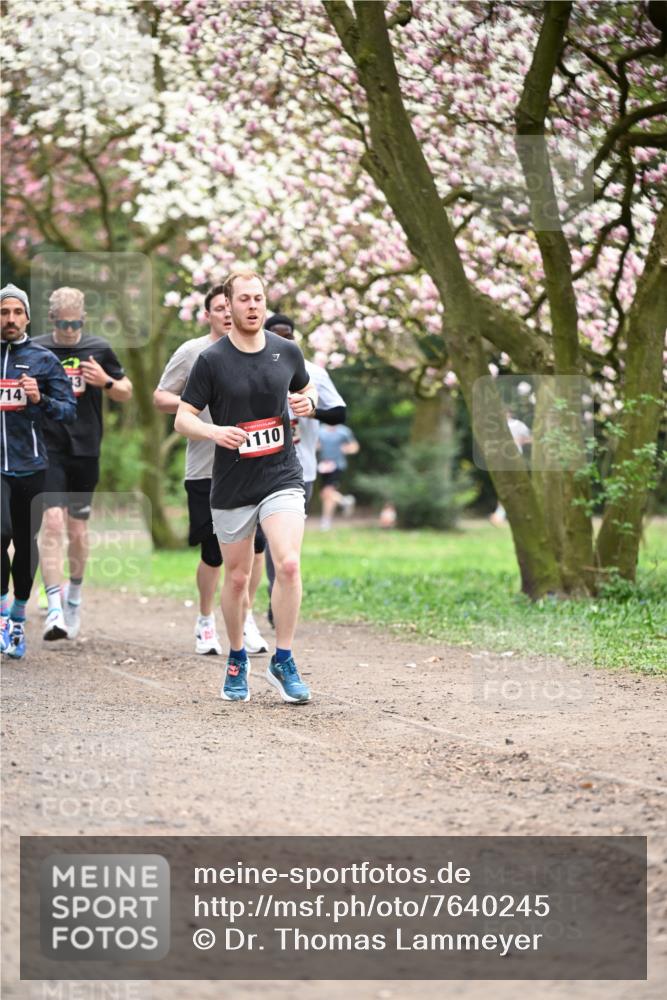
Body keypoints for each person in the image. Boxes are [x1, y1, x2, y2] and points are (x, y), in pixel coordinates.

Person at [175, 270, 318, 704]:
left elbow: (307, 391)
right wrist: (216, 433)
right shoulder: (212, 360)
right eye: (244, 300)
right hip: (234, 484)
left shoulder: (287, 351)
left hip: (281, 475)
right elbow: (183, 417)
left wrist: (307, 403)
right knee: (236, 579)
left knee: (288, 564)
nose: (253, 306)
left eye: (259, 298)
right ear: (230, 307)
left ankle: (284, 658)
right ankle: (237, 656)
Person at [154, 285, 268, 655]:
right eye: (218, 308)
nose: (224, 313)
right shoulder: (192, 352)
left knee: (256, 548)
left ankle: (245, 618)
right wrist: (195, 406)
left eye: (227, 306)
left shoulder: (261, 349)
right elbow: (160, 397)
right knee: (213, 552)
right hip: (205, 467)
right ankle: (205, 621)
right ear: (209, 314)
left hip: (254, 465)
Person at [34, 287, 133, 640]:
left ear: (83, 319)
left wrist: (104, 381)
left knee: (77, 530)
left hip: (86, 448)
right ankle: (54, 609)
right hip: (48, 447)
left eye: (76, 322)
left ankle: (74, 594)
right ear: (52, 320)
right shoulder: (37, 348)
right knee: (53, 523)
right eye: (64, 323)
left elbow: (126, 390)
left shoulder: (98, 349)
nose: (71, 329)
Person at [1, 284, 76, 659]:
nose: (10, 319)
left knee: (25, 544)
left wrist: (39, 398)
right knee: (1, 533)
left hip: (31, 465)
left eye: (17, 312)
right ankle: (1, 614)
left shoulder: (43, 360)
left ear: (27, 317)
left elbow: (68, 411)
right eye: (4, 312)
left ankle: (17, 616)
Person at [261, 312, 347, 625]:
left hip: (301, 470)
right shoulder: (252, 367)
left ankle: (277, 598)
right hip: (257, 468)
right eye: (277, 334)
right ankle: (260, 600)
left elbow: (340, 413)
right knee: (260, 543)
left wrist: (312, 410)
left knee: (284, 546)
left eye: (289, 334)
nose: (283, 340)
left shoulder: (312, 372)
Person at [489, 409, 532, 526]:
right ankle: (500, 515)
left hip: (514, 459)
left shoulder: (518, 425)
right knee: (507, 486)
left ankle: (502, 515)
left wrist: (519, 441)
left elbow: (529, 439)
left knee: (512, 486)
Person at [317, 422, 359, 530]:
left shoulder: (344, 431)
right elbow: (316, 445)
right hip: (324, 466)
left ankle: (326, 521)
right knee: (325, 495)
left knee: (328, 492)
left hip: (337, 465)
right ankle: (343, 501)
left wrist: (347, 449)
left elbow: (355, 446)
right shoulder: (320, 430)